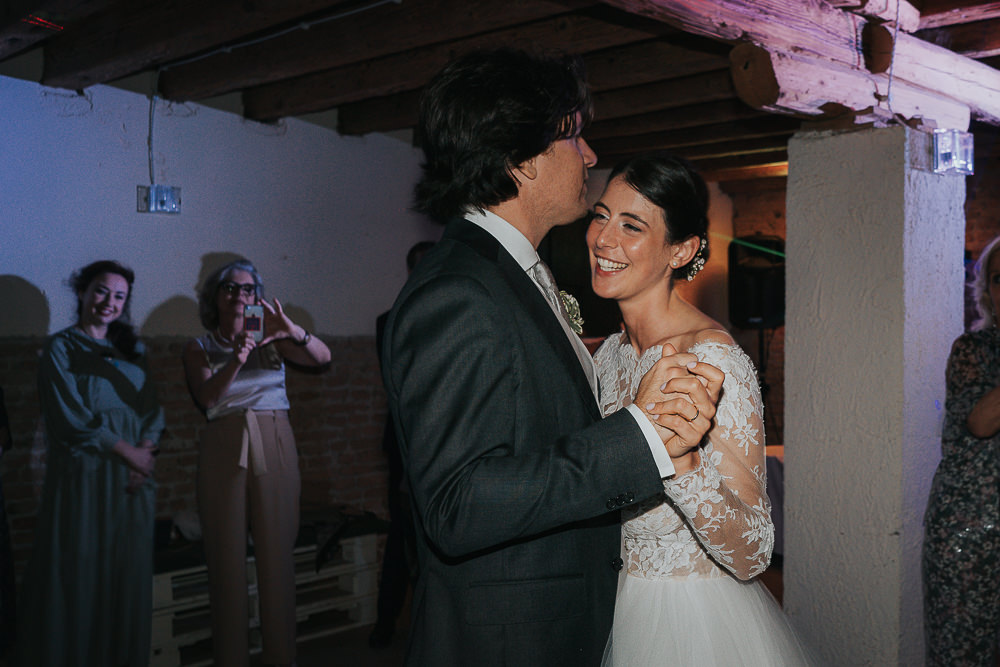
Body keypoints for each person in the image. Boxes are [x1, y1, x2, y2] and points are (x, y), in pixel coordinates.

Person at [380, 48, 724, 665]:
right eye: (573, 135)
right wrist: (638, 436)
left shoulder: (505, 274)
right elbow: (458, 504)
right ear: (522, 158)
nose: (589, 155)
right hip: (508, 644)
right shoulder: (460, 292)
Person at [587, 154, 815, 665]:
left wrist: (682, 464)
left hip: (690, 624)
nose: (603, 239)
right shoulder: (608, 356)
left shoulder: (712, 359)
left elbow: (755, 551)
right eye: (601, 216)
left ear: (682, 250)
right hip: (609, 605)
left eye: (631, 226)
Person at [182, 259, 330, 667]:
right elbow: (207, 398)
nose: (239, 295)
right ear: (215, 295)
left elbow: (322, 357)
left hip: (274, 436)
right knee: (225, 558)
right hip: (224, 443)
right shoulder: (199, 346)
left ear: (257, 297)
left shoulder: (272, 340)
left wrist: (293, 331)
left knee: (277, 555)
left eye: (248, 289)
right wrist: (237, 358)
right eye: (230, 288)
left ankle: (281, 657)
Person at [18, 260, 164, 666]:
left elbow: (152, 410)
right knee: (80, 574)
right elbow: (70, 417)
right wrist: (129, 453)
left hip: (134, 481)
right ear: (82, 291)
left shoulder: (132, 351)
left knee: (126, 577)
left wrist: (145, 452)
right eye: (101, 290)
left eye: (119, 296)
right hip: (85, 475)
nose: (108, 302)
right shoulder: (60, 348)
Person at [923, 233, 1000, 666]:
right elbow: (981, 421)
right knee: (963, 656)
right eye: (999, 278)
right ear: (987, 290)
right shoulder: (973, 350)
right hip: (968, 534)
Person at [369, 240, 434, 649]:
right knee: (402, 535)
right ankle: (386, 621)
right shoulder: (391, 320)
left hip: (438, 439)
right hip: (405, 442)